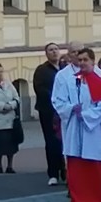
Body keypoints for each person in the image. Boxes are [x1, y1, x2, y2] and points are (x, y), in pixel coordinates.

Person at [51, 48, 101, 202]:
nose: (82, 63)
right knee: (77, 168)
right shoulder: (70, 79)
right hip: (74, 128)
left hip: (93, 131)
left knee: (93, 167)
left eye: (86, 60)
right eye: (80, 60)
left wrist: (86, 115)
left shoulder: (99, 80)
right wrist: (72, 109)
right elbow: (58, 100)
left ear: (92, 61)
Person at [33, 42, 65, 186]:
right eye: (51, 50)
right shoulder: (42, 70)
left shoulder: (65, 68)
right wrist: (56, 99)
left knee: (64, 141)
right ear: (46, 54)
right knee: (51, 142)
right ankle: (53, 173)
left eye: (56, 49)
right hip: (48, 111)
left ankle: (65, 171)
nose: (54, 52)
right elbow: (40, 89)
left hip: (64, 111)